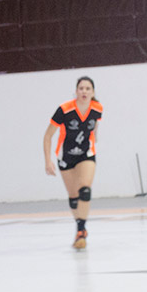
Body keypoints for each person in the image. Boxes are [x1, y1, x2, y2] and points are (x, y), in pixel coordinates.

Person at [43, 77, 103, 249]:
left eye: (88, 88)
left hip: (86, 154)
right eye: (81, 88)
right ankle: (79, 225)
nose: (84, 91)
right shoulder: (64, 110)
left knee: (84, 190)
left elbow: (95, 127)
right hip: (66, 156)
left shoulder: (98, 109)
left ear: (93, 92)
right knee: (74, 197)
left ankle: (81, 229)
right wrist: (48, 160)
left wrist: (94, 139)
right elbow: (47, 136)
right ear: (76, 91)